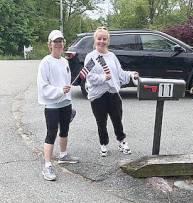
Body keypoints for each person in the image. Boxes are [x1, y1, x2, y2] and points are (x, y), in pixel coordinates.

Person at [84, 26, 139, 157]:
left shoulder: (112, 56)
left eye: (104, 39)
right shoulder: (91, 57)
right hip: (98, 95)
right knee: (101, 121)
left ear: (108, 41)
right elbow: (89, 77)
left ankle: (122, 141)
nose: (101, 41)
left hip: (113, 93)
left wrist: (131, 75)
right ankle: (103, 144)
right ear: (95, 40)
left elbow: (120, 74)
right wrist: (104, 77)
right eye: (99, 39)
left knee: (117, 119)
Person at [37, 30, 79, 181]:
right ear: (49, 45)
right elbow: (43, 86)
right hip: (52, 104)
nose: (58, 44)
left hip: (66, 102)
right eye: (55, 41)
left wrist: (66, 93)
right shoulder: (45, 62)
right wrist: (60, 90)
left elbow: (66, 81)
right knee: (51, 132)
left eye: (60, 41)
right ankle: (47, 165)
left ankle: (63, 155)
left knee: (65, 130)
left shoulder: (64, 61)